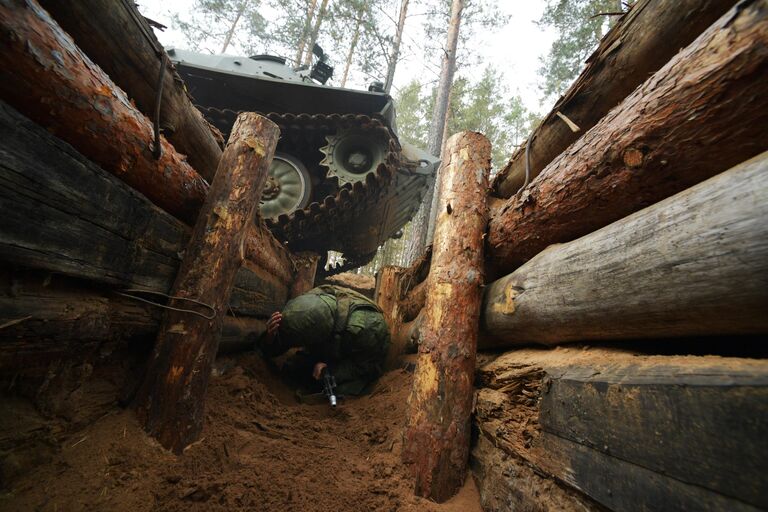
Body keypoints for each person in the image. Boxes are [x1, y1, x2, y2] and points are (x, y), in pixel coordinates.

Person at [259, 285, 390, 396]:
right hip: (334, 339)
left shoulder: (369, 329)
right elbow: (277, 348)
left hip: (362, 356)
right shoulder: (309, 305)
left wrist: (330, 370)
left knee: (333, 388)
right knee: (293, 367)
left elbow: (364, 366)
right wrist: (270, 339)